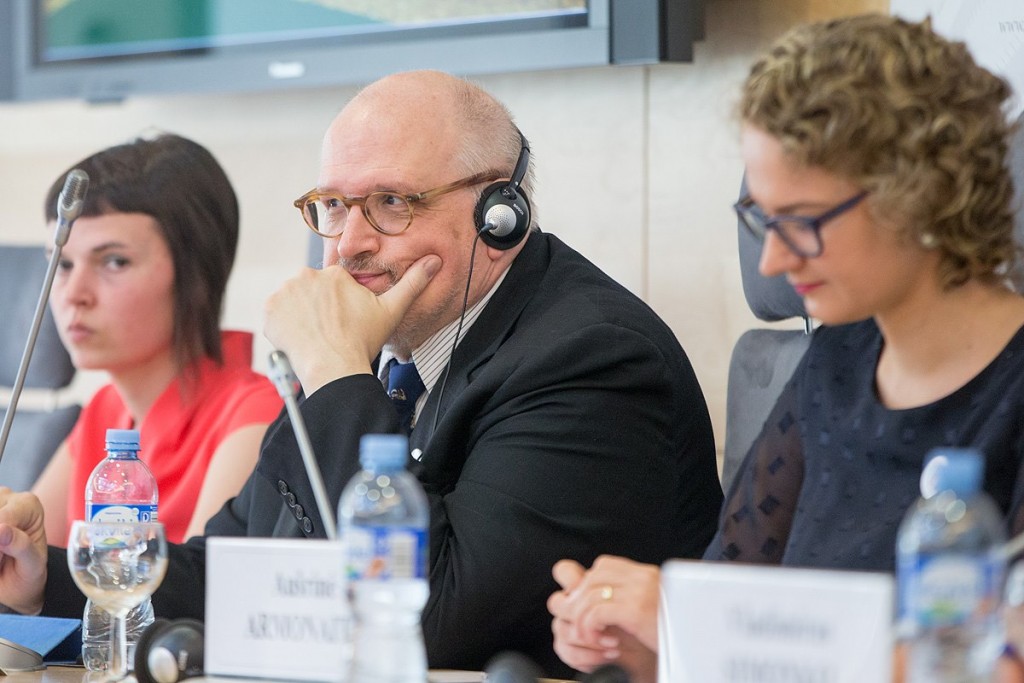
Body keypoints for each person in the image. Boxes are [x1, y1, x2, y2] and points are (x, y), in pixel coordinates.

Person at [0, 71, 722, 676]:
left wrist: (335, 369)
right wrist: (44, 578)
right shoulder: (376, 344)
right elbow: (237, 571)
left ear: (501, 215)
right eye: (335, 207)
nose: (347, 245)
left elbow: (430, 624)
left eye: (390, 203)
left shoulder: (592, 360)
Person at [547, 13, 1024, 683]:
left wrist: (689, 619)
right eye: (763, 220)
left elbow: (991, 666)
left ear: (921, 195)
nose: (771, 260)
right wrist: (649, 648)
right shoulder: (834, 360)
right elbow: (737, 612)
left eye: (800, 222)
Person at [29, 134, 283, 544]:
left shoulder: (254, 415)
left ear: (194, 276)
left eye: (114, 261)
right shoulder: (104, 409)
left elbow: (199, 590)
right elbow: (24, 568)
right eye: (62, 263)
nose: (73, 293)